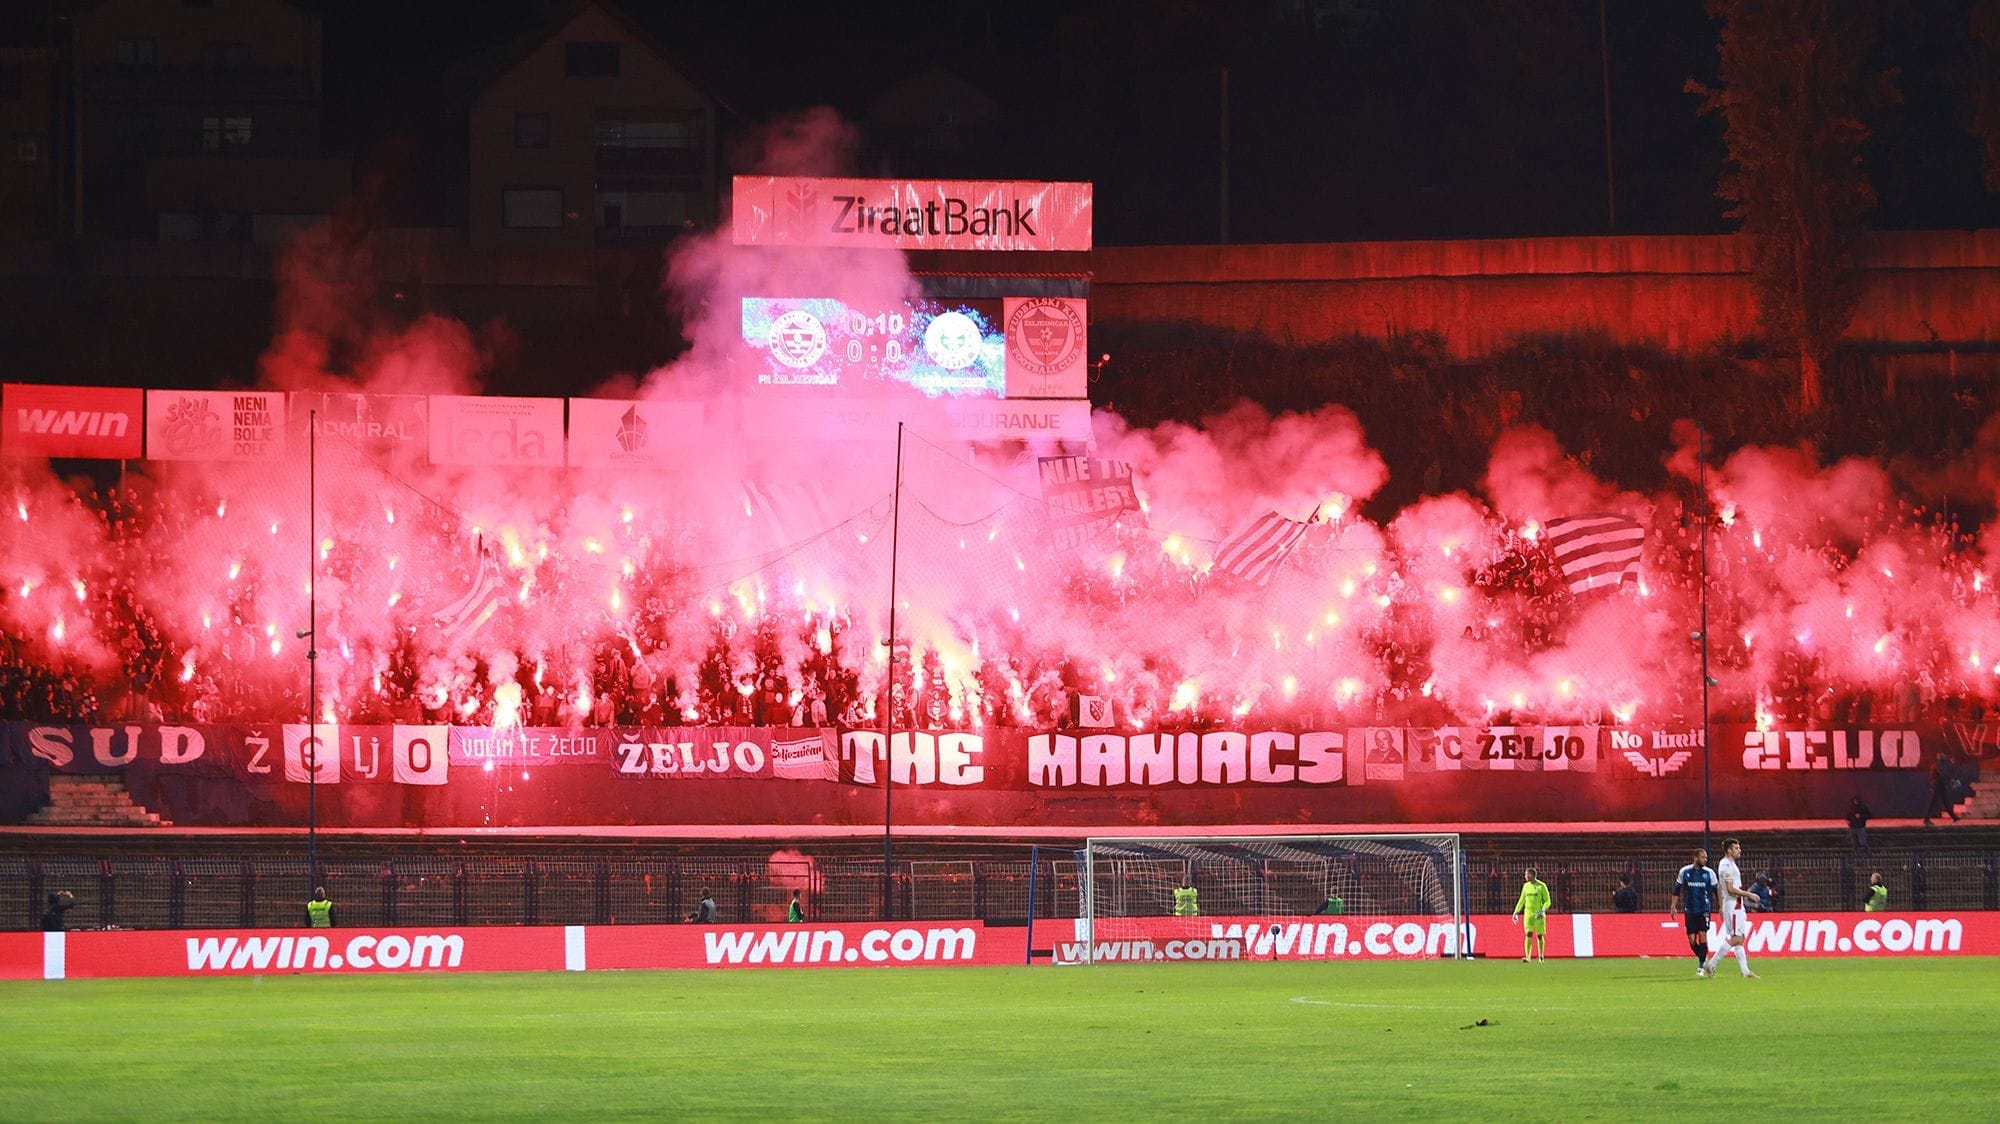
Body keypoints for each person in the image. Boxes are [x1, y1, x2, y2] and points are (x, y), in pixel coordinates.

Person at [1703, 838, 1759, 979]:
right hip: (1734, 904)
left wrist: (1721, 907)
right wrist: (1749, 894)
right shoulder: (1726, 865)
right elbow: (1729, 888)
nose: (1739, 850)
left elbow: (1721, 888)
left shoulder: (1730, 864)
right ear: (1729, 850)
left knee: (1740, 938)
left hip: (1734, 904)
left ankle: (1745, 971)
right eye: (1736, 848)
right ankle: (1712, 963)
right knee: (1736, 938)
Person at [1669, 847, 1719, 976]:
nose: (1705, 860)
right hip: (1690, 909)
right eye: (1703, 857)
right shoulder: (1684, 872)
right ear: (1696, 858)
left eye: (1706, 857)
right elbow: (1677, 890)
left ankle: (1701, 967)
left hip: (1704, 909)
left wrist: (1721, 905)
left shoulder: (1709, 873)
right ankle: (1706, 960)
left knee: (1703, 936)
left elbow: (1716, 890)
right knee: (1691, 940)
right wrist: (1673, 906)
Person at [1510, 867, 1551, 962]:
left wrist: (1543, 910)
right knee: (1528, 934)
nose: (1525, 876)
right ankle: (1528, 956)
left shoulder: (1541, 886)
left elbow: (1548, 901)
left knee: (1540, 935)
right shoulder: (1526, 886)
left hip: (1538, 915)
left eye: (1526, 875)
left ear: (1532, 875)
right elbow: (1522, 900)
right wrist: (1516, 912)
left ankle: (1541, 956)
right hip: (1528, 915)